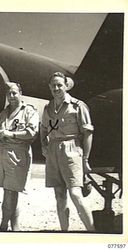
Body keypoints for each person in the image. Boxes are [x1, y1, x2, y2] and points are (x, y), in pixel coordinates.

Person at [40, 72, 95, 231]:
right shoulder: (48, 107)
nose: (56, 88)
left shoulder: (78, 106)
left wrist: (85, 159)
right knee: (59, 195)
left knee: (76, 193)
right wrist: (44, 145)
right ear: (50, 87)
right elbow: (44, 128)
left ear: (66, 86)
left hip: (72, 148)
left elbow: (88, 133)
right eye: (53, 85)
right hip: (53, 150)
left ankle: (93, 232)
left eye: (59, 85)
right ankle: (65, 232)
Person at [0, 82, 39, 231]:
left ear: (20, 93)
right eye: (9, 94)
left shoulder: (29, 111)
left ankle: (4, 225)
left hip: (18, 153)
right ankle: (14, 226)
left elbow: (32, 133)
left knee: (10, 190)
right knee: (10, 190)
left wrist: (11, 134)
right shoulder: (3, 113)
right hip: (1, 153)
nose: (11, 96)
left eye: (14, 93)